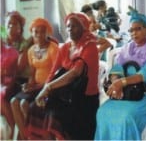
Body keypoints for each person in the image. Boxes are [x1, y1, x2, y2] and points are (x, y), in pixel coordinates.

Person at [26, 12, 99, 140]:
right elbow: (53, 71)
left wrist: (47, 88)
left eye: (74, 26)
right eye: (68, 26)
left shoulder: (90, 46)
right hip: (67, 95)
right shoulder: (65, 47)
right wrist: (46, 92)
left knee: (56, 116)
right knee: (36, 108)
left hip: (84, 98)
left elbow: (75, 72)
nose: (70, 29)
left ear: (84, 28)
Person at [94, 10, 146, 140]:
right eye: (131, 30)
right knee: (103, 111)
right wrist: (115, 81)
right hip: (127, 92)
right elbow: (117, 67)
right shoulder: (128, 47)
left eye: (138, 29)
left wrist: (121, 83)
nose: (134, 33)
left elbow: (144, 75)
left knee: (126, 116)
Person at [10, 18, 59, 140]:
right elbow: (32, 73)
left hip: (49, 87)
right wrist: (28, 85)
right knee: (13, 102)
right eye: (35, 32)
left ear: (47, 33)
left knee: (24, 103)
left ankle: (36, 136)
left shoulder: (53, 48)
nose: (38, 35)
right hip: (36, 86)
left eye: (42, 32)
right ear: (31, 33)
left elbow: (55, 74)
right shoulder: (31, 50)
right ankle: (24, 136)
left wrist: (38, 86)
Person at [0, 25, 19, 139]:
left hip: (10, 82)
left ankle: (12, 126)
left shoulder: (10, 51)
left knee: (1, 94)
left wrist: (4, 73)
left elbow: (13, 71)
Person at [4, 11, 33, 85]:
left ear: (20, 27)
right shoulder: (3, 43)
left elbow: (18, 69)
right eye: (9, 23)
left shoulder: (25, 44)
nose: (10, 26)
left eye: (14, 23)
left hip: (20, 81)